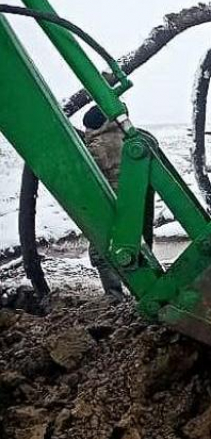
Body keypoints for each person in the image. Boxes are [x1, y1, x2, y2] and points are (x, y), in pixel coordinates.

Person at [82, 106, 125, 301]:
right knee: (124, 246)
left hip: (109, 203)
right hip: (125, 202)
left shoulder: (99, 145)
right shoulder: (120, 136)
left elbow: (84, 170)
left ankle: (114, 294)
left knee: (100, 250)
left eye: (87, 129)